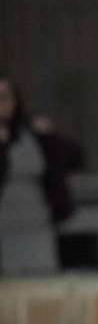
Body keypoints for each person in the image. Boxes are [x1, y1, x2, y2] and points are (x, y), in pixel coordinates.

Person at [0, 76, 83, 274]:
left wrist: (49, 136)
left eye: (5, 98)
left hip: (36, 223)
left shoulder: (31, 134)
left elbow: (75, 158)